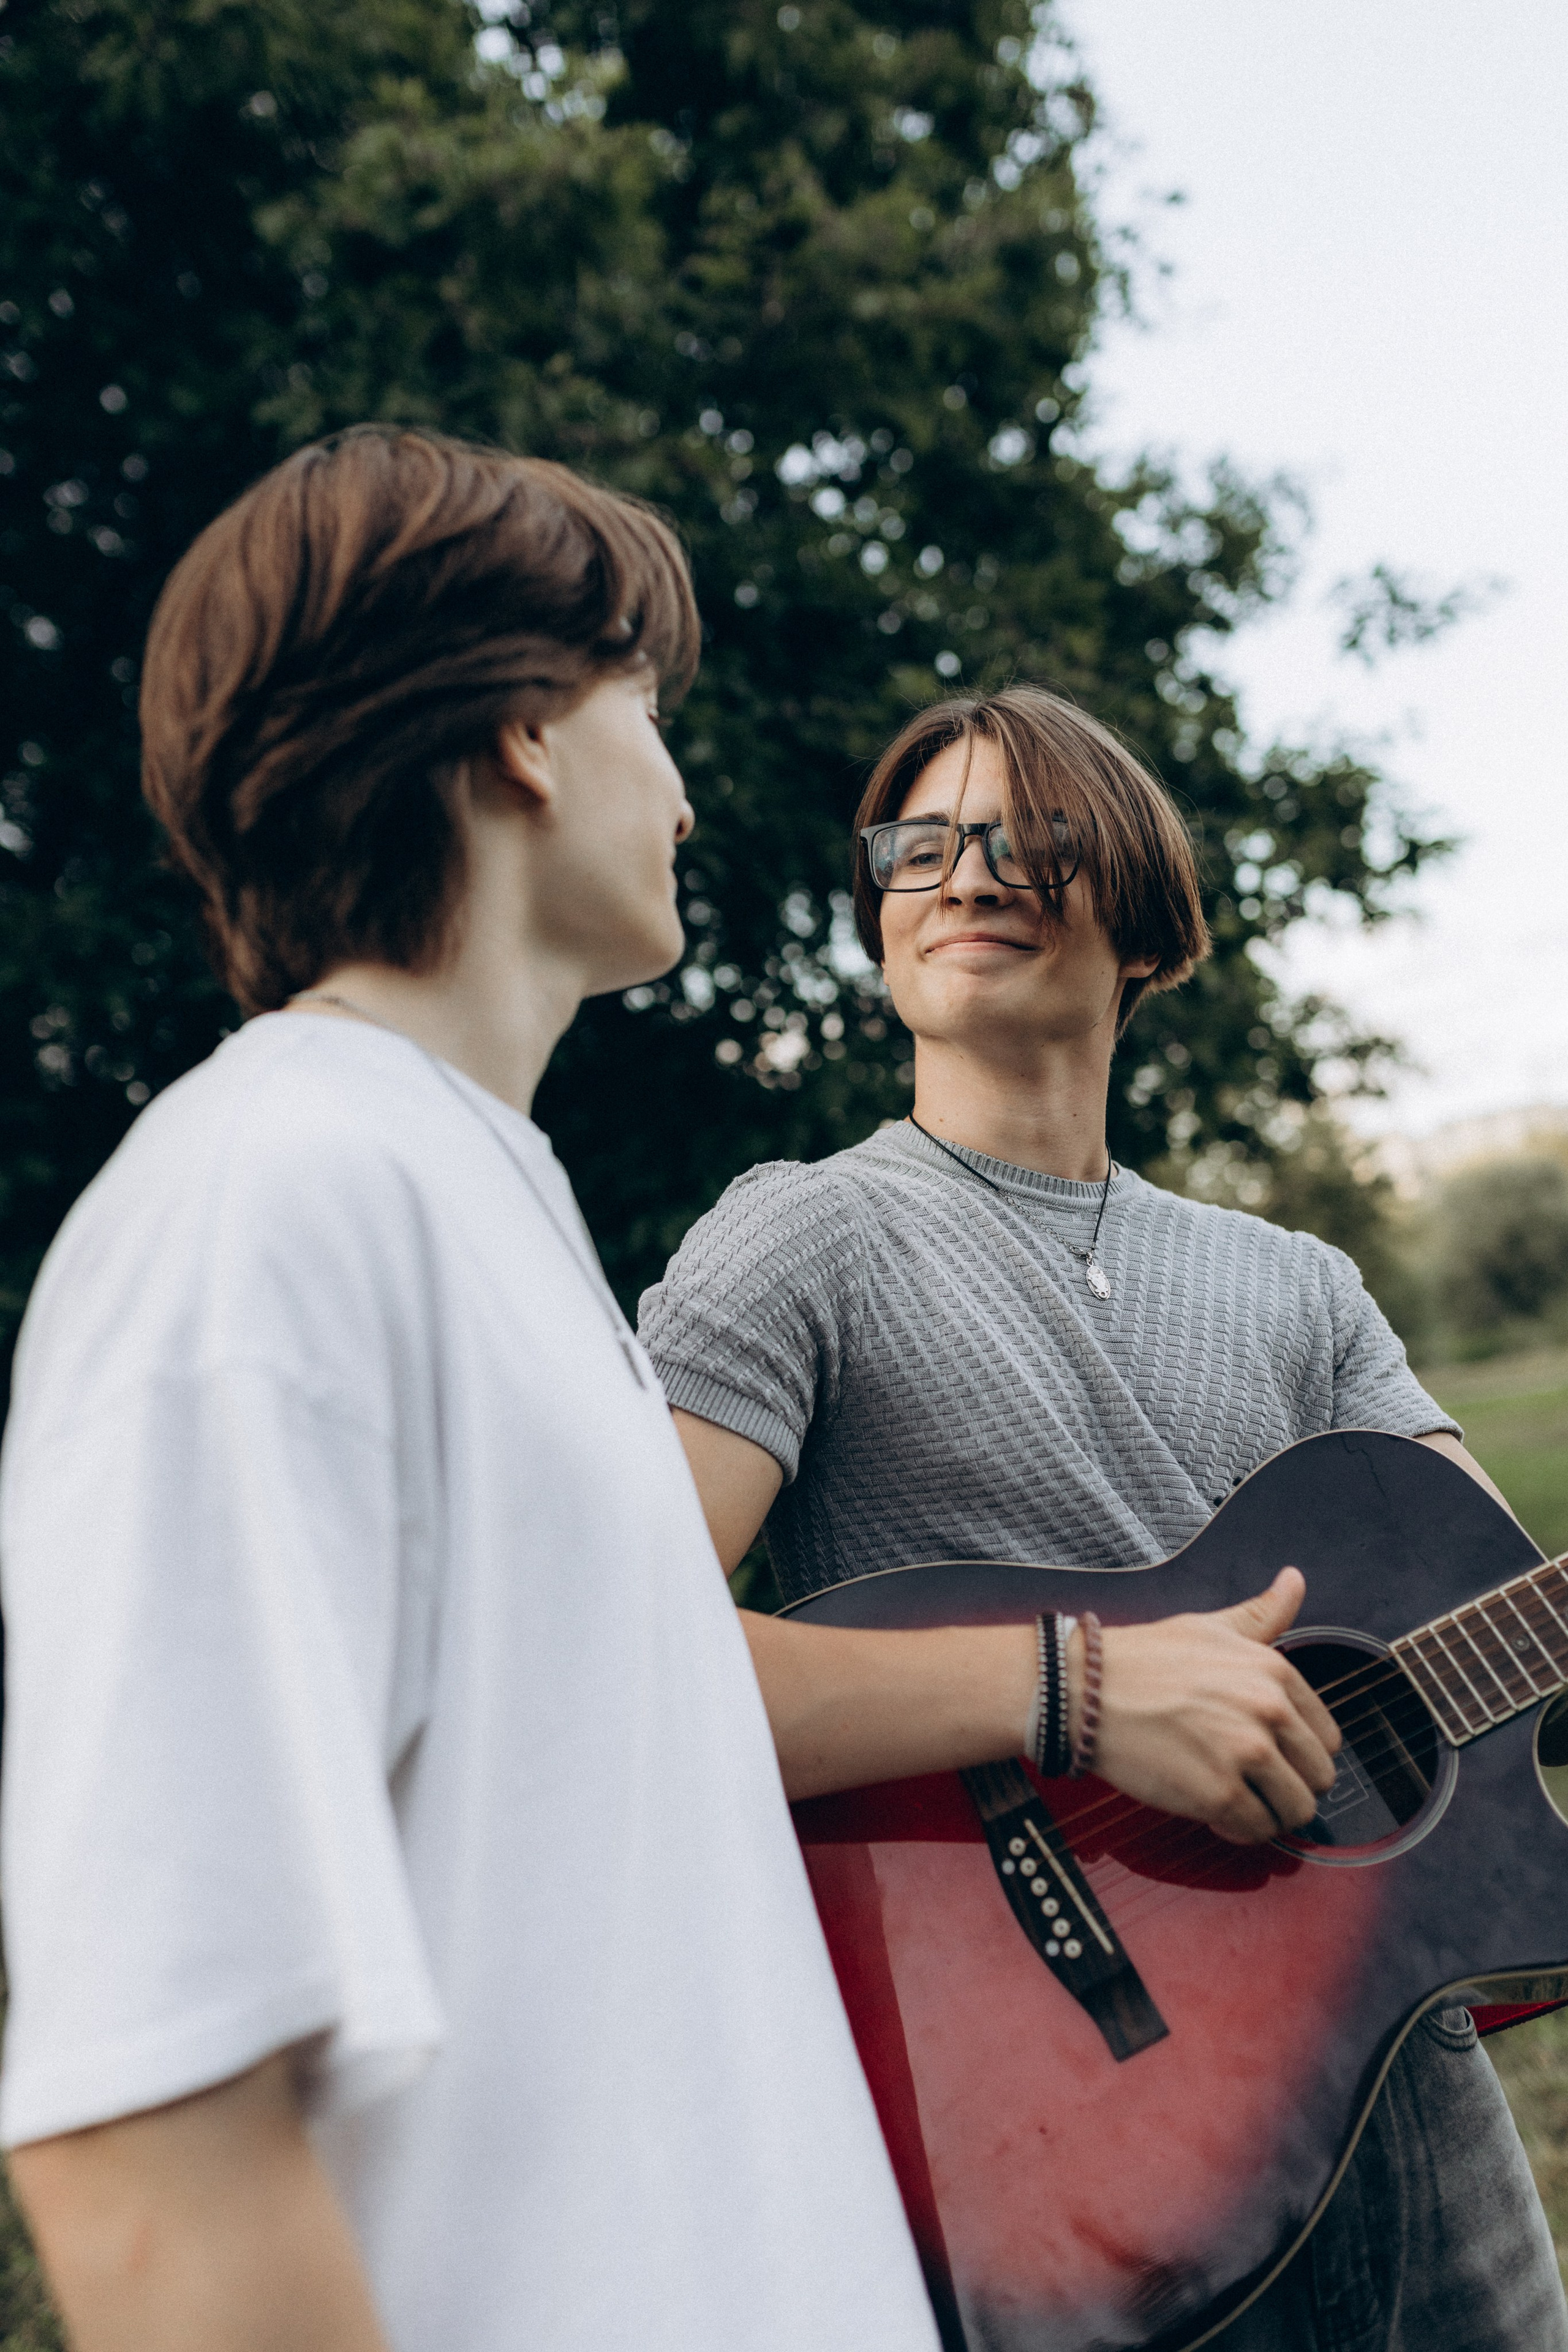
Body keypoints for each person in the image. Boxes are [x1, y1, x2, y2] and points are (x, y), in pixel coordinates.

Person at [0, 428, 948, 2352]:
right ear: (527, 729)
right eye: (648, 709)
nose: (682, 794)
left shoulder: (486, 1204)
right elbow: (146, 2148)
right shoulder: (266, 1210)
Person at [638, 684, 1568, 2351]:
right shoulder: (801, 1242)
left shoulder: (1300, 1285)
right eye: (921, 844)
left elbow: (1513, 1614)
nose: (968, 872)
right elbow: (615, 1665)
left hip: (1393, 2087)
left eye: (1031, 837)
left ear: (1146, 923)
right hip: (1034, 2113)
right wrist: (1080, 1687)